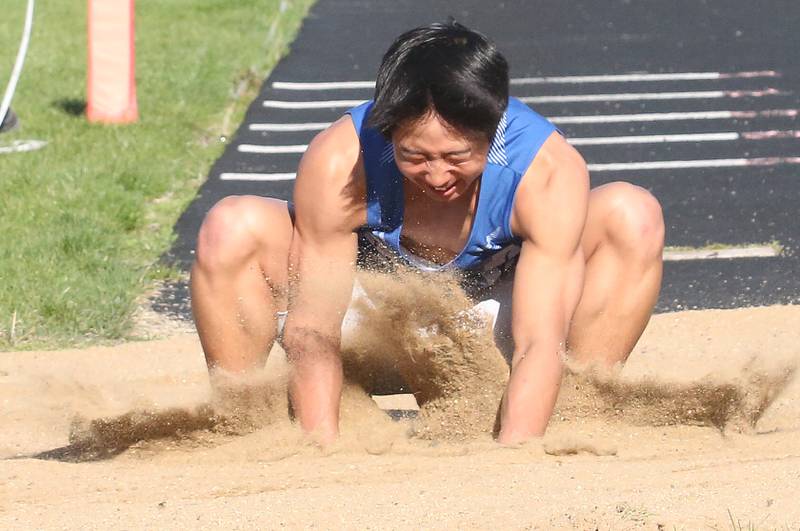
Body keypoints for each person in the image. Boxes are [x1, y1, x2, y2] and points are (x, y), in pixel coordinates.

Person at [190, 21, 664, 445]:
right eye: (415, 156)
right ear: (389, 131)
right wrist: (321, 448)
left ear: (493, 130)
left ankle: (569, 412)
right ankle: (245, 424)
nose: (437, 176)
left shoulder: (546, 168)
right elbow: (313, 326)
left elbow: (540, 341)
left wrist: (517, 457)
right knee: (232, 225)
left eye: (458, 158)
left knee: (631, 213)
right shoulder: (341, 158)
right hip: (370, 324)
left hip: (494, 328)